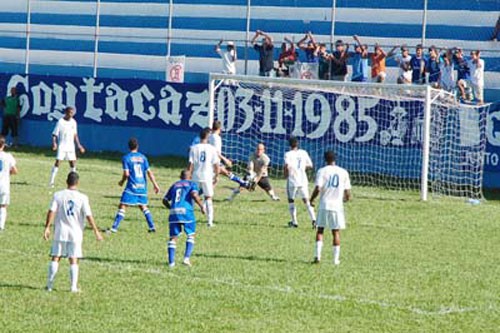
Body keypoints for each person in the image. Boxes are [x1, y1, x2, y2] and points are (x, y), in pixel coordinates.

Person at [43, 172, 103, 292]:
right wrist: (96, 231)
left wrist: (47, 227)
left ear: (67, 181)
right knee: (74, 258)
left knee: (56, 257)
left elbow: (51, 211)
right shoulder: (82, 197)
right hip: (76, 233)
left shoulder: (58, 195)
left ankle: (49, 285)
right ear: (78, 182)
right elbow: (88, 215)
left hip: (60, 231)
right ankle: (73, 287)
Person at [109, 137, 161, 233]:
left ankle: (114, 228)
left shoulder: (126, 158)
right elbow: (149, 172)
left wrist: (121, 181)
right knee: (143, 206)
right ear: (137, 146)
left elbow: (127, 174)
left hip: (132, 186)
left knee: (123, 205)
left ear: (129, 147)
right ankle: (152, 226)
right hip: (142, 186)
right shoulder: (143, 157)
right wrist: (155, 185)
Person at [310, 151, 351, 265]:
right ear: (335, 159)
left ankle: (317, 256)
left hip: (324, 204)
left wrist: (311, 199)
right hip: (337, 206)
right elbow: (347, 191)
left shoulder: (322, 171)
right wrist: (346, 198)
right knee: (335, 231)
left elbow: (318, 188)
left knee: (320, 230)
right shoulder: (343, 172)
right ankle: (335, 260)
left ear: (325, 159)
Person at [163, 169, 205, 267]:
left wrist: (171, 208)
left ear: (180, 177)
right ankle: (186, 259)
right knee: (191, 235)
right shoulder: (191, 184)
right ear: (190, 177)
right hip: (186, 212)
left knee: (173, 238)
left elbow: (164, 200)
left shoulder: (174, 185)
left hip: (174, 212)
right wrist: (202, 206)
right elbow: (194, 194)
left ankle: (171, 263)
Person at [189, 127, 220, 227]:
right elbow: (216, 165)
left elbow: (191, 164)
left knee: (193, 197)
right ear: (208, 137)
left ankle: (190, 219)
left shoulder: (194, 148)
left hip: (196, 175)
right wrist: (216, 176)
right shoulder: (212, 149)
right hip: (207, 176)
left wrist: (189, 175)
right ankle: (210, 221)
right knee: (208, 197)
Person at [48, 107, 85, 188]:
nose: (70, 114)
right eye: (69, 112)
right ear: (66, 112)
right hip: (62, 146)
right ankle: (51, 181)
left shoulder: (74, 122)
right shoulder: (60, 122)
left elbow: (75, 135)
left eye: (72, 113)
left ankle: (74, 182)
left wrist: (79, 145)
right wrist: (54, 143)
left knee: (72, 163)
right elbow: (54, 134)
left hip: (71, 146)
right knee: (58, 163)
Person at [284, 137, 316, 228]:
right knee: (306, 200)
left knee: (291, 200)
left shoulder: (288, 154)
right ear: (297, 144)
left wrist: (286, 174)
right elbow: (310, 165)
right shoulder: (303, 153)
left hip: (292, 180)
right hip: (303, 180)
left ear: (289, 145)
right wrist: (302, 168)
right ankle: (314, 220)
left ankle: (294, 222)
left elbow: (286, 166)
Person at [209, 120, 250, 189]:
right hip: (214, 162)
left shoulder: (210, 136)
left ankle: (244, 183)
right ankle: (200, 195)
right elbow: (215, 152)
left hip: (212, 161)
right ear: (220, 128)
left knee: (225, 174)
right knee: (214, 180)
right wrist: (225, 160)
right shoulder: (216, 138)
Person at [0, 135, 17, 231]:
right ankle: (1, 225)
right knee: (3, 205)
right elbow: (15, 171)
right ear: (3, 145)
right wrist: (7, 172)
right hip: (4, 185)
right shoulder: (8, 156)